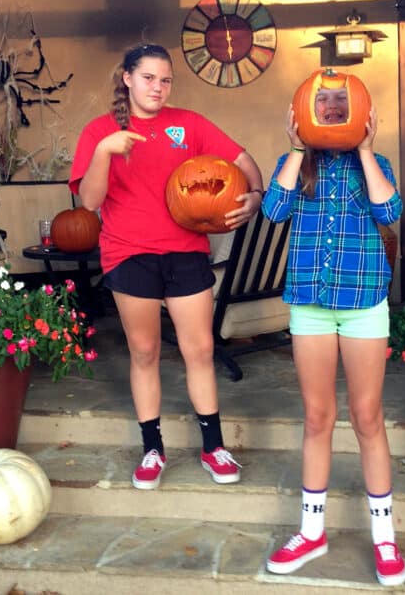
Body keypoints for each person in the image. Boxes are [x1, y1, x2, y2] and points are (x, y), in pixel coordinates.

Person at [69, 43, 264, 490]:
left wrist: (255, 195)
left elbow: (241, 159)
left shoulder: (188, 124)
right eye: (149, 78)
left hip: (186, 252)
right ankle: (152, 450)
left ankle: (213, 447)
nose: (158, 87)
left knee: (199, 350)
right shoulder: (100, 131)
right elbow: (90, 201)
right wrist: (104, 151)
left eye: (165, 79)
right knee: (145, 353)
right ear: (127, 78)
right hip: (129, 254)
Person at [261, 91, 405, 587]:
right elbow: (273, 211)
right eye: (320, 102)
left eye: (339, 102)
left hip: (364, 301)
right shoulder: (293, 163)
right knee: (318, 416)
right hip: (311, 305)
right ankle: (311, 530)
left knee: (367, 416)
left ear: (360, 112)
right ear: (304, 110)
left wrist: (366, 150)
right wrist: (297, 147)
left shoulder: (377, 161)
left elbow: (390, 212)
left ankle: (384, 537)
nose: (330, 109)